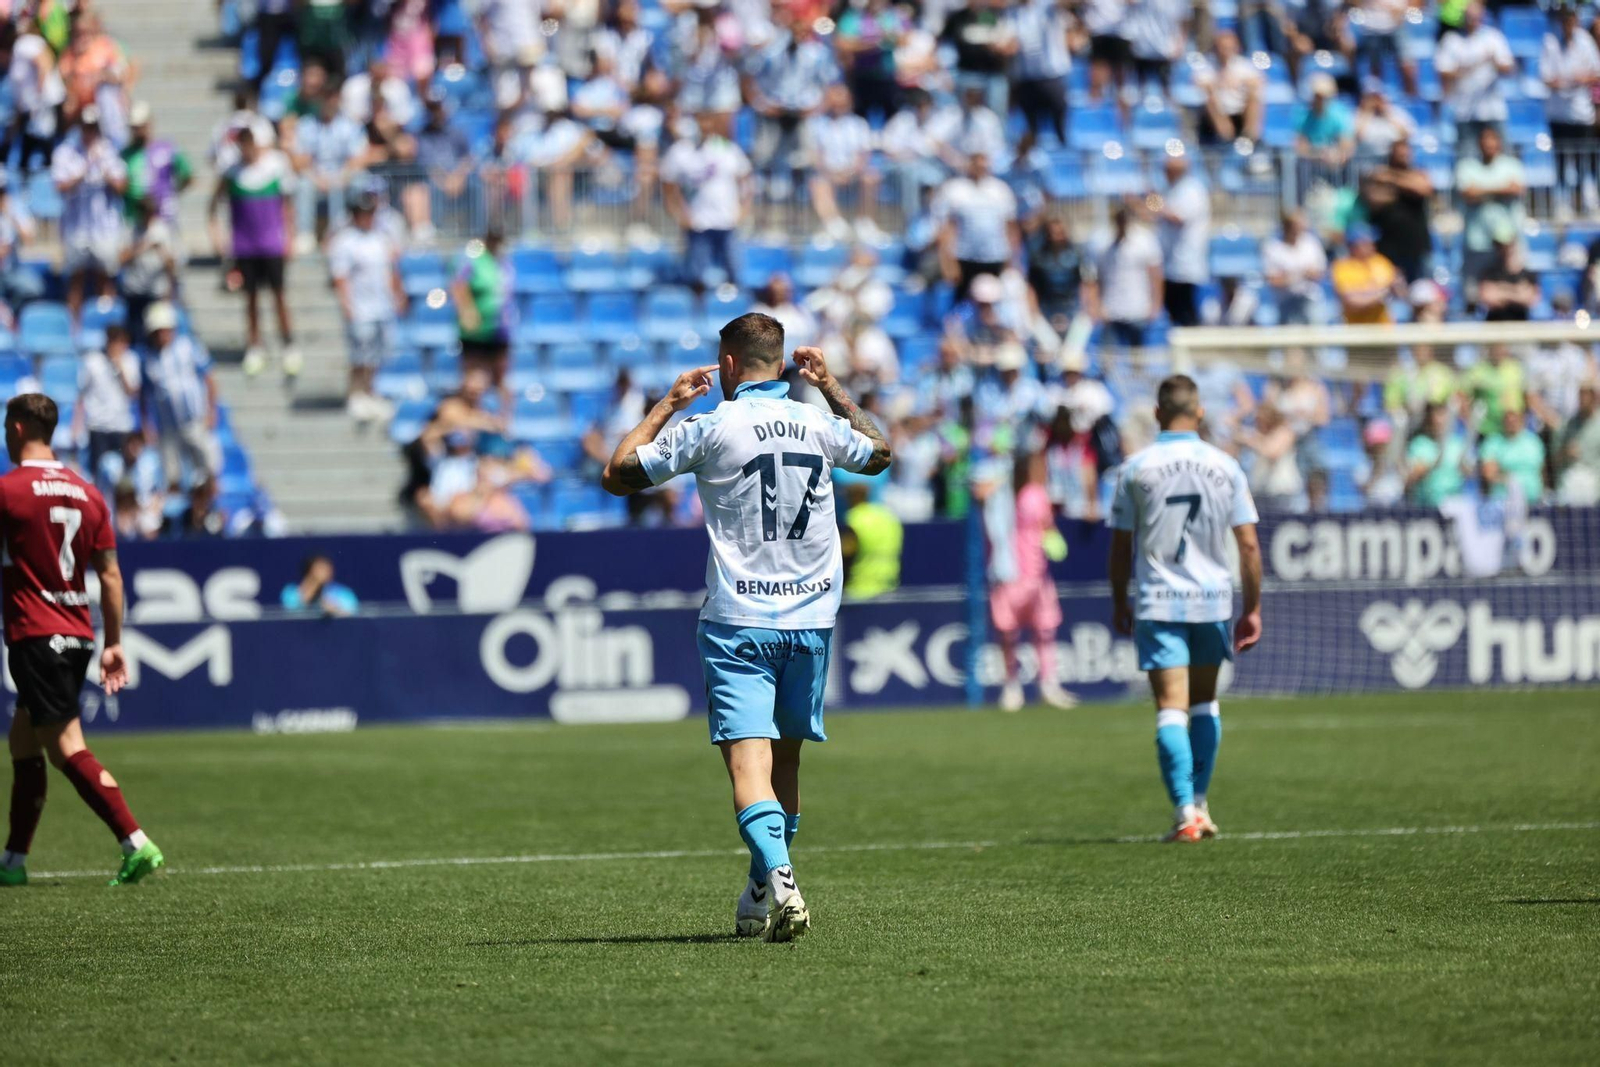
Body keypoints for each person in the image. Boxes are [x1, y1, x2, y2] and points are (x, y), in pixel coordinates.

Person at [599, 314, 891, 942]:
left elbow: (617, 474)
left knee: (747, 766)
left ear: (728, 365)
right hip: (811, 619)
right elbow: (881, 455)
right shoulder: (819, 421)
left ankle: (782, 881)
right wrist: (834, 387)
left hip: (739, 621)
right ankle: (762, 886)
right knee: (784, 763)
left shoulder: (710, 426)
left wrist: (665, 406)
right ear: (783, 362)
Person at [0, 393, 163, 888]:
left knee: (66, 746)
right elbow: (110, 577)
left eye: (8, 426)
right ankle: (12, 864)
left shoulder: (8, 492)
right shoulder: (89, 494)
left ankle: (134, 841)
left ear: (21, 428)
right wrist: (113, 641)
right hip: (77, 632)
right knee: (22, 739)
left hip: (36, 632)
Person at [1108, 374, 1263, 843]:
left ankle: (1183, 813)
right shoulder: (1227, 466)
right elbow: (1250, 546)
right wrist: (1252, 607)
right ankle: (1200, 805)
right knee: (1203, 704)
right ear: (1199, 414)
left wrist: (1120, 599)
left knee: (1170, 709)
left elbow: (1120, 546)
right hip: (1212, 601)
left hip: (1159, 600)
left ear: (1157, 414)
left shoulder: (1135, 468)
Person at [986, 448, 1075, 712]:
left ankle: (1030, 686)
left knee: (1028, 632)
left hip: (1022, 574)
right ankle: (1028, 686)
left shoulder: (1010, 494)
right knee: (1025, 632)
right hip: (1018, 574)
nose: (1044, 470)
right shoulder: (1024, 495)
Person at [208, 127, 300, 380]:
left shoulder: (275, 167)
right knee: (250, 299)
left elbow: (287, 205)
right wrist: (219, 238)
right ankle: (254, 345)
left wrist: (289, 237)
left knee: (279, 295)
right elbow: (213, 206)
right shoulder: (232, 173)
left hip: (271, 244)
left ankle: (288, 344)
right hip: (245, 246)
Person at [328, 188, 404, 424]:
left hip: (382, 306)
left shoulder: (381, 238)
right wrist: (346, 304)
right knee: (359, 355)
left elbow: (390, 271)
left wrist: (398, 295)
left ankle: (371, 392)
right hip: (360, 307)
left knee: (377, 355)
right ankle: (355, 394)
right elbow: (340, 278)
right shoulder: (344, 242)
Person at [51, 107, 127, 322]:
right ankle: (74, 329)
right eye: (86, 127)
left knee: (105, 278)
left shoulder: (108, 151)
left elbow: (122, 186)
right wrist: (83, 170)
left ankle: (107, 326)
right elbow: (60, 186)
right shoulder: (66, 152)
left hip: (104, 228)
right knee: (76, 279)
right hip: (76, 227)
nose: (90, 132)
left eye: (93, 127)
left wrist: (105, 171)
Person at [662, 111, 752, 290]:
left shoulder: (727, 148)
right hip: (698, 222)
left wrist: (745, 209)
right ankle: (697, 313)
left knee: (734, 272)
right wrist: (679, 215)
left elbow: (745, 179)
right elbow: (668, 186)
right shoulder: (681, 151)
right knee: (696, 275)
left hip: (727, 219)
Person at [141, 301, 219, 489]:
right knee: (171, 474)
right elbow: (144, 395)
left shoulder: (188, 347)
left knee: (207, 467)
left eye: (165, 330)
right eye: (157, 331)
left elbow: (209, 378)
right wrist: (147, 425)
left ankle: (210, 506)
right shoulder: (149, 359)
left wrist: (211, 410)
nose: (162, 335)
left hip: (194, 420)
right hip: (167, 427)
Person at [932, 151, 1020, 297]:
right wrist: (947, 263)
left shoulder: (1001, 190)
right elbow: (946, 229)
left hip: (995, 257)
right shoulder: (954, 190)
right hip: (964, 258)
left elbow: (1010, 228)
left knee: (993, 301)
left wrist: (1013, 261)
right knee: (964, 305)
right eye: (975, 163)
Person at [450, 227, 514, 416]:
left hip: (499, 330)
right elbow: (458, 285)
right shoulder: (473, 260)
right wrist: (467, 311)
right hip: (476, 332)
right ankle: (468, 419)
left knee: (501, 377)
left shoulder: (503, 264)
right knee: (473, 379)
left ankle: (504, 420)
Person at [1084, 204, 1163, 350]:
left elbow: (1155, 275)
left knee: (1138, 356)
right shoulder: (1101, 242)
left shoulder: (1145, 240)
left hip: (1138, 309)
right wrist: (1095, 306)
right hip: (1110, 310)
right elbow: (1093, 279)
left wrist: (1156, 305)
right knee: (1109, 356)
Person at [1457, 126, 1526, 293]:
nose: (1489, 145)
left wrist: (1482, 190)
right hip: (1477, 240)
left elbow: (1515, 189)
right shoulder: (1467, 166)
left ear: (1499, 143)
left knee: (1511, 285)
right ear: (1479, 144)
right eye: (1484, 141)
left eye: (1492, 140)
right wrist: (1500, 190)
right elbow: (1468, 193)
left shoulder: (1512, 165)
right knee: (1474, 290)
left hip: (1508, 240)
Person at [1436, 2, 1515, 145]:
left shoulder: (1493, 37)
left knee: (1502, 155)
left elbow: (1509, 68)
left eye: (1477, 17)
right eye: (1470, 17)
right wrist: (1470, 67)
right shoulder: (1452, 40)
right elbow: (1444, 72)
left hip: (1493, 110)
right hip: (1464, 111)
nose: (1473, 20)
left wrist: (1494, 62)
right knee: (1467, 157)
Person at [75, 323, 139, 490]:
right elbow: (81, 393)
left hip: (122, 425)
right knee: (99, 472)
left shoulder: (131, 360)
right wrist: (76, 424)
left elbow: (132, 392)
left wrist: (120, 368)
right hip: (98, 425)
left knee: (124, 475)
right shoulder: (92, 361)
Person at [1361, 139, 1434, 283]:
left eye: (1406, 154)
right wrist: (1406, 187)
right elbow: (1375, 198)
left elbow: (1422, 189)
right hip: (1388, 249)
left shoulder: (1413, 174)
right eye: (1399, 154)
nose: (1404, 157)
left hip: (1416, 248)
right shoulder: (1378, 175)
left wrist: (1391, 180)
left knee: (1420, 293)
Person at [1155, 149, 1209, 329]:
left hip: (1186, 264)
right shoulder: (1171, 190)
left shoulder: (1191, 189)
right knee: (1174, 313)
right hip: (1171, 265)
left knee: (1187, 315)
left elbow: (1178, 217)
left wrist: (1156, 206)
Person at [1261, 209, 1327, 325]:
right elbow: (1273, 280)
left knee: (1317, 330)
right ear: (1286, 226)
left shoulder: (1311, 243)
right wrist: (1301, 274)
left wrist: (1289, 275)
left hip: (1310, 298)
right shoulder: (1272, 247)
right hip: (1284, 300)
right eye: (1295, 225)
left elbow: (1318, 273)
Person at [840, 480, 902, 600]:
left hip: (859, 590)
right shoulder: (888, 516)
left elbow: (846, 552)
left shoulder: (854, 518)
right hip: (889, 586)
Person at [1332, 224, 1403, 325]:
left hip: (1383, 327)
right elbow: (1352, 303)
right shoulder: (1342, 267)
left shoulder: (1381, 262)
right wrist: (1380, 293)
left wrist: (1398, 284)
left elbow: (1400, 293)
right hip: (1355, 329)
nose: (1372, 246)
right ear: (1354, 246)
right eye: (1367, 243)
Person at [1406, 401, 1470, 507]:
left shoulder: (1457, 443)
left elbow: (1468, 471)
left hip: (1453, 503)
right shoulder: (1420, 443)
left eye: (1442, 415)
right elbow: (1412, 477)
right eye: (1435, 415)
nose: (1438, 421)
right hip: (1427, 506)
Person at [1479, 408, 1546, 503]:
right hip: (1505, 502)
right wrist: (1510, 480)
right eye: (1508, 421)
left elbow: (1541, 471)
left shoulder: (1533, 441)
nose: (1512, 424)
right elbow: (1489, 474)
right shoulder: (1493, 442)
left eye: (1515, 420)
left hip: (1533, 499)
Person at [280, 553, 360, 615]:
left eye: (328, 568)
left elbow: (352, 614)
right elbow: (291, 609)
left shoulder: (343, 593)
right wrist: (313, 585)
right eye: (321, 568)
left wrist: (335, 610)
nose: (326, 571)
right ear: (310, 570)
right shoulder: (290, 591)